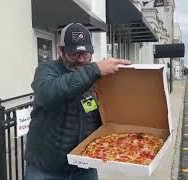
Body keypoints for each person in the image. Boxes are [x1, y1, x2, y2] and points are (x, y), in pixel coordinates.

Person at [25, 23, 131, 180]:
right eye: (74, 54)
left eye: (86, 54)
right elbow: (47, 92)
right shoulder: (47, 69)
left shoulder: (96, 78)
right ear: (60, 50)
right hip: (45, 169)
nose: (81, 60)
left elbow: (99, 118)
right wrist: (94, 70)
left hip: (83, 167)